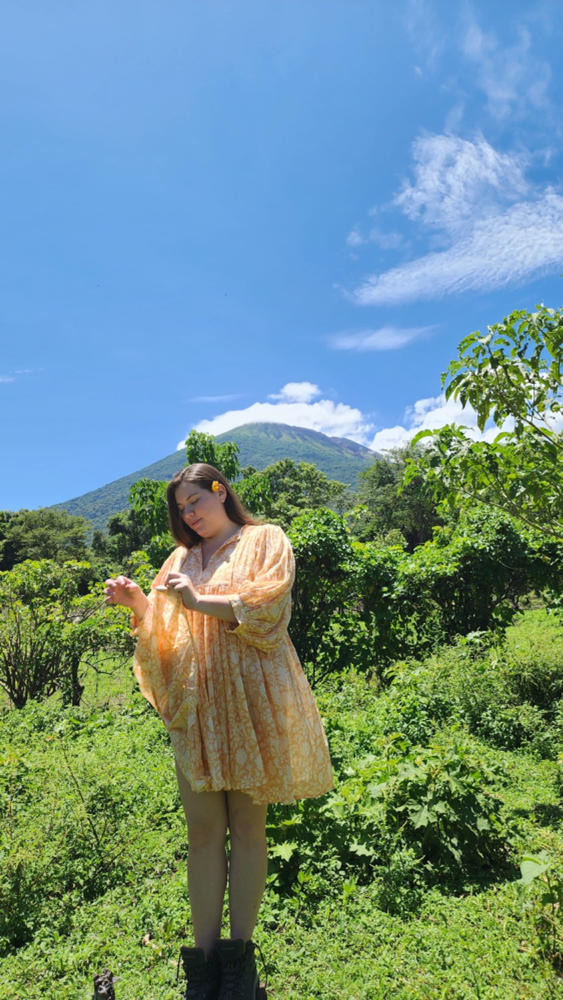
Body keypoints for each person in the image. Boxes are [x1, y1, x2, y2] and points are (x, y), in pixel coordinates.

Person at [104, 463, 333, 1000]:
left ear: (220, 491)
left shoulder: (264, 539)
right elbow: (164, 629)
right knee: (203, 834)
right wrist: (140, 603)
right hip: (199, 706)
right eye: (181, 509)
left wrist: (197, 601)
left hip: (252, 701)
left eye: (194, 503)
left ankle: (239, 961)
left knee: (249, 830)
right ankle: (204, 967)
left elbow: (269, 609)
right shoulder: (181, 558)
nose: (188, 515)